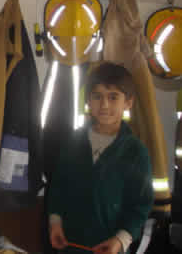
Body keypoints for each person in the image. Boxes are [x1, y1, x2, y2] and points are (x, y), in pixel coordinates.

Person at [47, 62, 154, 254]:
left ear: (128, 102)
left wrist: (120, 240)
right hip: (70, 246)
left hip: (110, 248)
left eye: (113, 97)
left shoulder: (136, 152)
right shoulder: (73, 142)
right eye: (97, 96)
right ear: (88, 101)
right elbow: (58, 187)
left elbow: (140, 206)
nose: (104, 105)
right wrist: (55, 223)